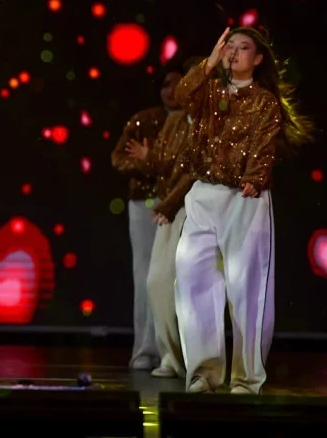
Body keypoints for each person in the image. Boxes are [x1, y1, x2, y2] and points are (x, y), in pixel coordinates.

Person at [173, 27, 315, 394]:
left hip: (244, 199)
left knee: (246, 287)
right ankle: (204, 373)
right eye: (229, 47)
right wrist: (208, 63)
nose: (234, 53)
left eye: (243, 47)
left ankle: (246, 378)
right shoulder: (208, 90)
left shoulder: (264, 101)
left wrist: (255, 176)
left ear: (258, 58)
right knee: (192, 279)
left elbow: (264, 141)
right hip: (203, 193)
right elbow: (181, 94)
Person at [125, 56, 203, 379]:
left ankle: (195, 360)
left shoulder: (211, 121)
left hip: (194, 207)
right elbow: (164, 164)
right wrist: (147, 158)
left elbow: (196, 170)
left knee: (191, 285)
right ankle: (168, 356)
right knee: (156, 280)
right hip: (170, 208)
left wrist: (168, 203)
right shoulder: (174, 122)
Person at [111, 71, 178, 370]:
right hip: (145, 203)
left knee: (173, 277)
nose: (172, 91)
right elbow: (119, 158)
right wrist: (148, 164)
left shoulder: (195, 122)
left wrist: (151, 160)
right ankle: (145, 350)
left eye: (179, 84)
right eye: (166, 85)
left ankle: (172, 352)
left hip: (180, 203)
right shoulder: (144, 120)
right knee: (145, 275)